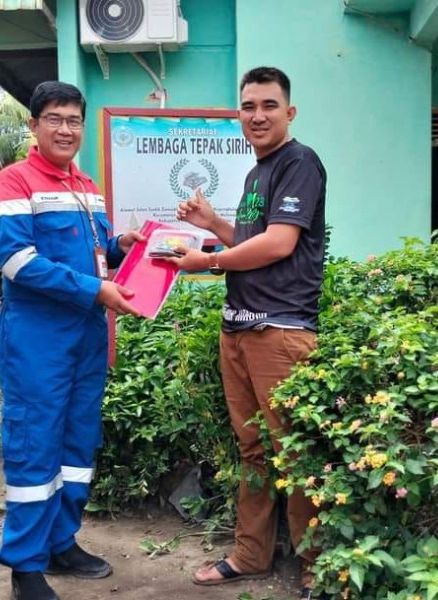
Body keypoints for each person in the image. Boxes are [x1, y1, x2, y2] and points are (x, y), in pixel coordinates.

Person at [166, 66, 329, 600]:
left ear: (290, 112)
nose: (257, 115)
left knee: (294, 452)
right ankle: (252, 555)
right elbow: (253, 240)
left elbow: (280, 244)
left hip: (280, 332)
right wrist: (215, 225)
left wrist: (207, 262)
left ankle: (317, 566)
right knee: (254, 450)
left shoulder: (299, 162)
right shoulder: (258, 172)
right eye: (248, 106)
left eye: (269, 105)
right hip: (239, 330)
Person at [0, 80, 145, 600]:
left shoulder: (84, 185)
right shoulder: (13, 183)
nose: (66, 129)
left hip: (85, 336)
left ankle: (61, 541)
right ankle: (25, 567)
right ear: (33, 126)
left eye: (74, 120)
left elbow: (98, 253)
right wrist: (95, 289)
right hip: (37, 340)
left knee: (78, 445)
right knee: (35, 446)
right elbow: (18, 262)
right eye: (54, 118)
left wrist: (124, 244)